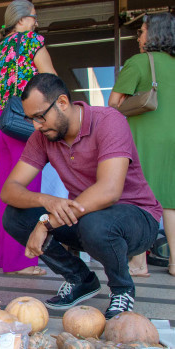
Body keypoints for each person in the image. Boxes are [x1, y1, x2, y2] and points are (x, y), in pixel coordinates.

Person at [1, 73, 162, 319]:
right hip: (84, 219)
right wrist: (46, 201)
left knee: (96, 222)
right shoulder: (43, 136)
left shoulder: (109, 121)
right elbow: (10, 189)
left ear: (63, 103)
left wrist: (46, 222)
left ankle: (122, 289)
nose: (36, 126)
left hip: (136, 218)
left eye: (40, 117)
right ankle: (80, 279)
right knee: (15, 216)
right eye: (31, 119)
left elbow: (109, 191)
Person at [0, 0, 57, 275]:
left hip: (4, 123)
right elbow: (50, 79)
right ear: (21, 20)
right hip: (25, 122)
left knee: (8, 190)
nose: (37, 22)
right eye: (34, 17)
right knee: (27, 191)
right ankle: (23, 262)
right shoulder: (31, 41)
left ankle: (5, 257)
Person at [109, 12, 175, 277]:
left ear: (155, 34)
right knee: (170, 200)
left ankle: (138, 263)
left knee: (140, 198)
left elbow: (114, 102)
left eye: (143, 31)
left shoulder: (139, 62)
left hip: (146, 136)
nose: (139, 36)